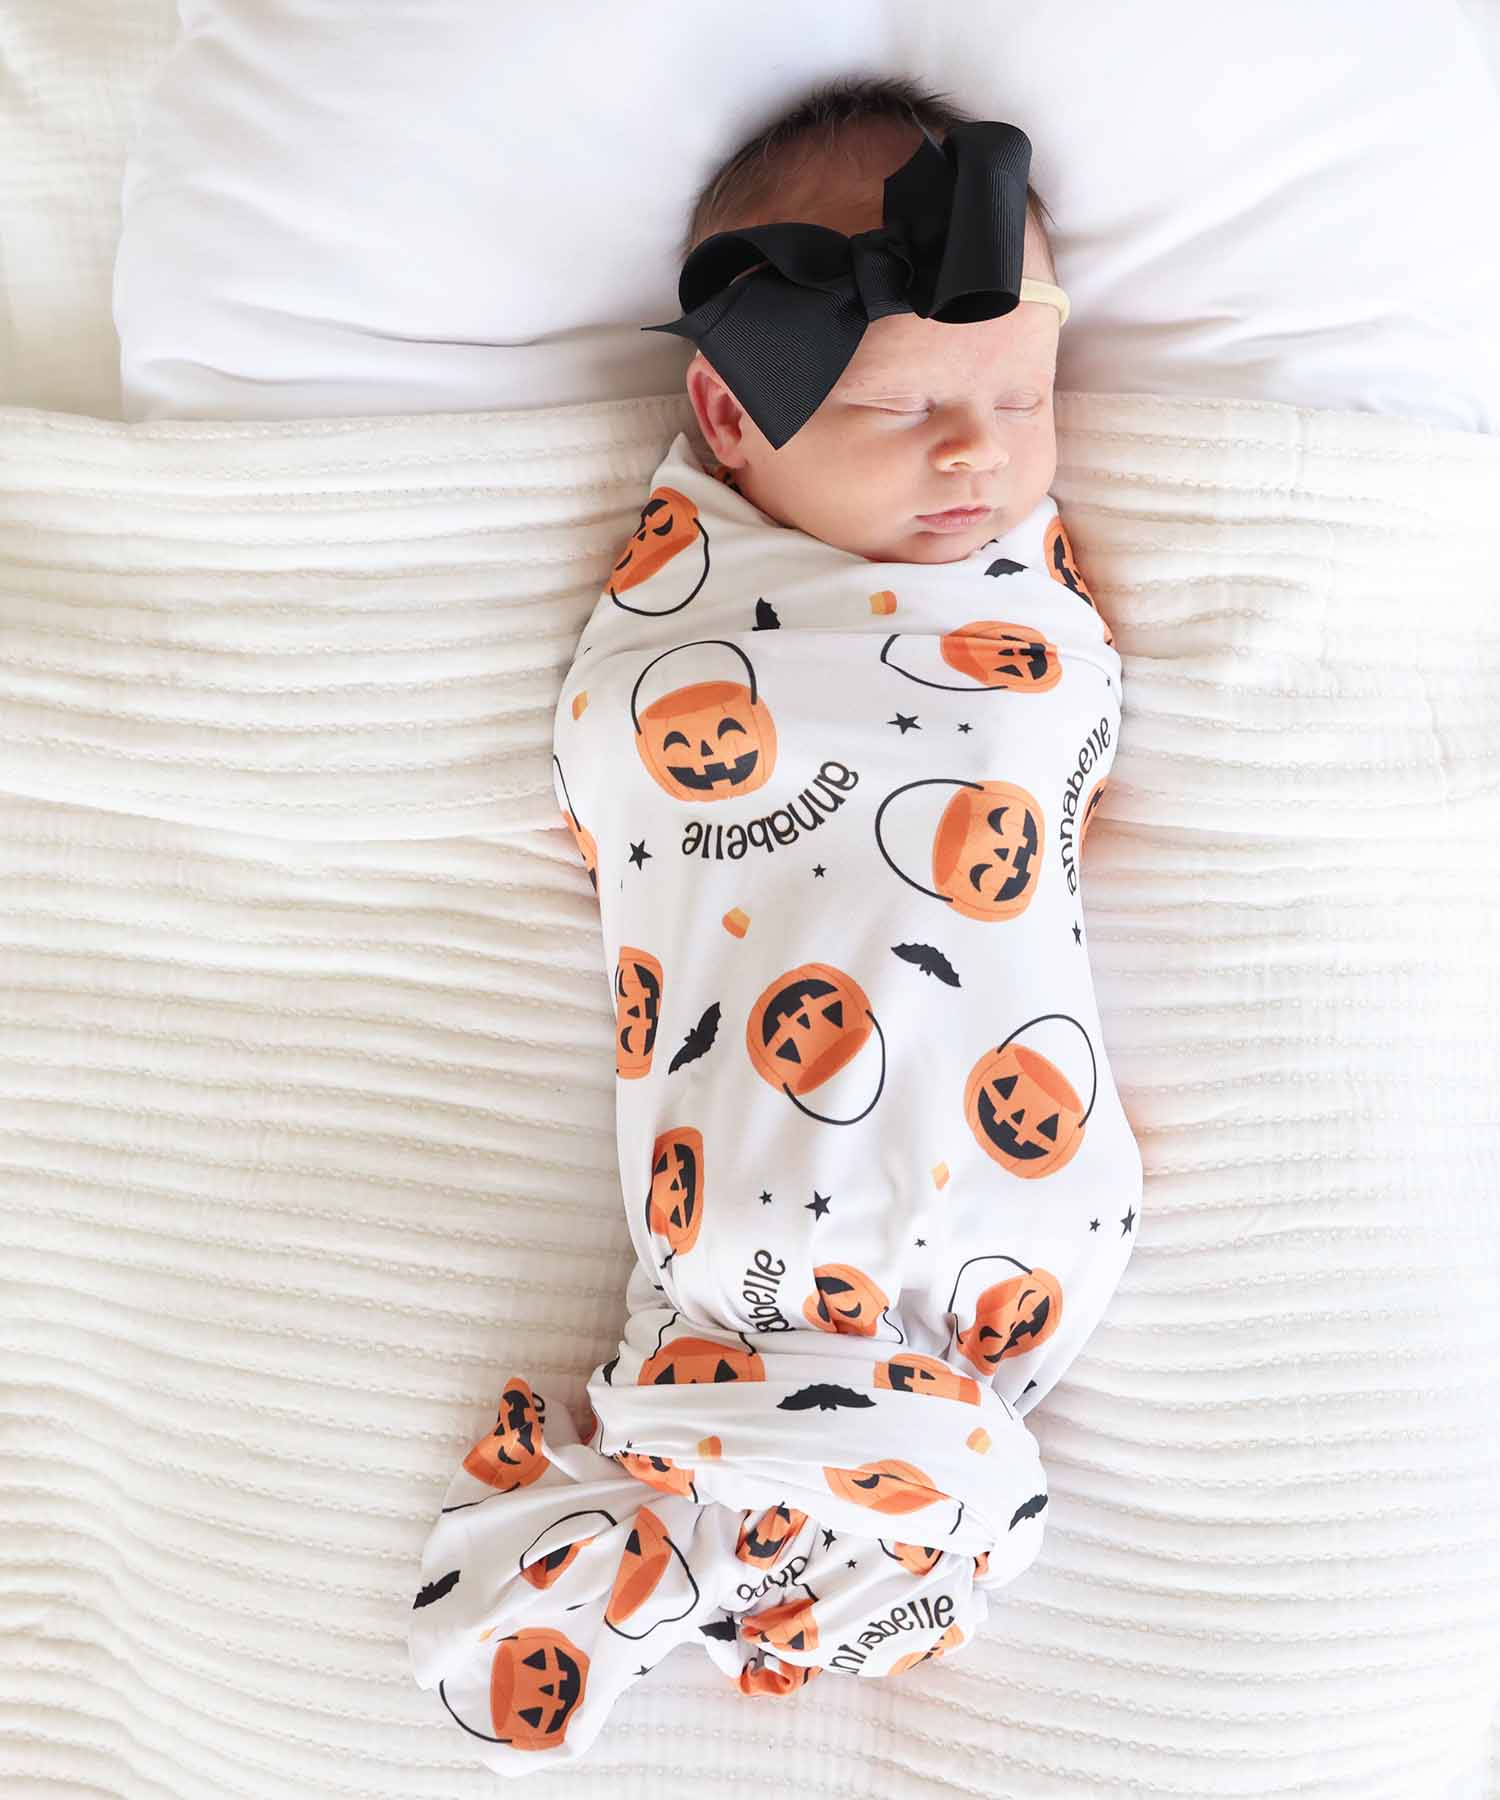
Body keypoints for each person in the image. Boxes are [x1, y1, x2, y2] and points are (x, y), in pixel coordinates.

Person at [407, 76, 1142, 1774]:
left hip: (1022, 1192)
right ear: (729, 418)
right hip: (764, 1185)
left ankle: (746, 1504)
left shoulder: (1016, 568)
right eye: (900, 407)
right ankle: (753, 1490)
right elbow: (631, 764)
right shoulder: (684, 630)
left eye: (1021, 396)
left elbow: (1056, 720)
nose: (976, 453)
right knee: (762, 1234)